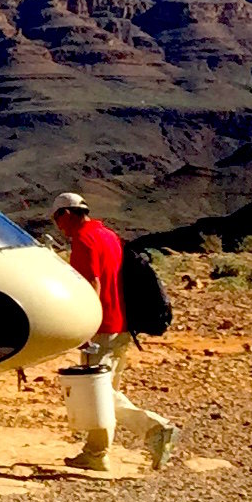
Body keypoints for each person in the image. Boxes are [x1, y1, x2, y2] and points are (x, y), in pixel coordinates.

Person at [51, 189, 179, 472]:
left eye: (57, 219)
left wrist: (85, 327)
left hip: (102, 328)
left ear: (68, 214)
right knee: (106, 391)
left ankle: (155, 428)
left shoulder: (83, 240)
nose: (58, 226)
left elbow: (92, 285)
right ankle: (96, 453)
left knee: (99, 393)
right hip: (122, 324)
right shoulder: (109, 235)